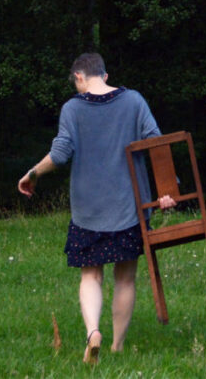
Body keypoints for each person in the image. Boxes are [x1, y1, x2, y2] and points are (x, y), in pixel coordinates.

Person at [17, 53, 176, 364]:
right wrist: (167, 192)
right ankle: (116, 346)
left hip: (88, 210)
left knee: (90, 276)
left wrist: (32, 173)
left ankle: (93, 333)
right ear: (104, 75)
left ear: (79, 77)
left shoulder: (72, 108)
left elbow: (60, 154)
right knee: (125, 278)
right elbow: (157, 144)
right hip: (129, 207)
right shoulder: (133, 101)